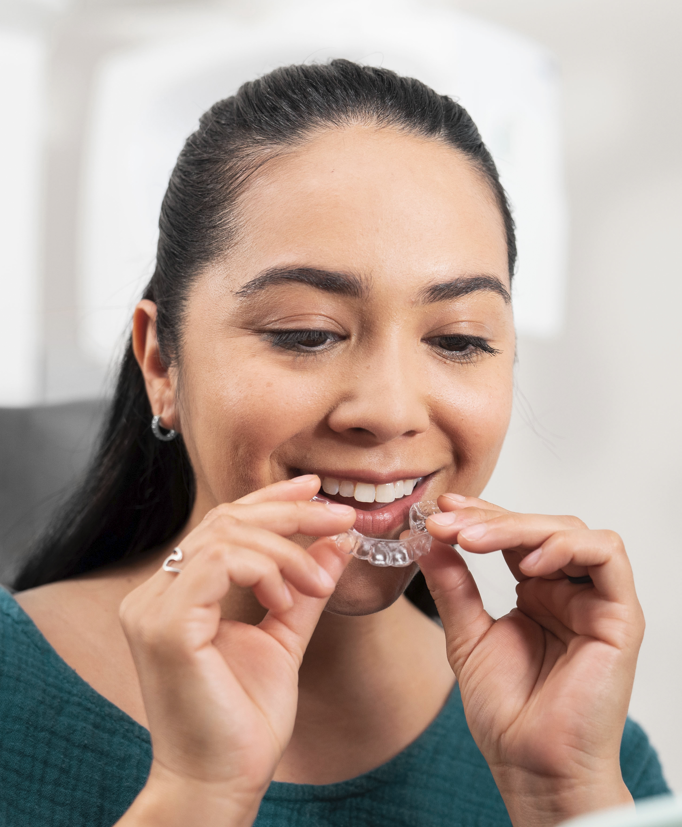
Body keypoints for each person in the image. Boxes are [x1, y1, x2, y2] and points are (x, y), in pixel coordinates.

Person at [0, 60, 669, 827]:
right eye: (306, 333)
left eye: (457, 340)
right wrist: (196, 795)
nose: (387, 411)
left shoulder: (597, 760)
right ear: (162, 364)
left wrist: (563, 794)